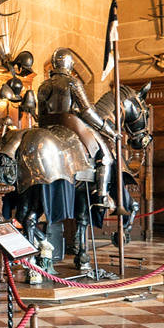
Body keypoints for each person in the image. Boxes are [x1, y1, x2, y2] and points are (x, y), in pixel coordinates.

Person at [37, 48, 118, 209]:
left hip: (47, 128)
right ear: (70, 64)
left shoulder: (43, 86)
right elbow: (87, 111)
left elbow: (41, 114)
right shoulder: (72, 82)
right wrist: (107, 129)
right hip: (69, 126)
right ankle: (101, 195)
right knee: (106, 156)